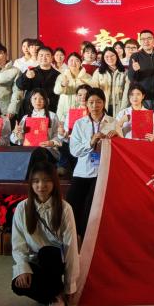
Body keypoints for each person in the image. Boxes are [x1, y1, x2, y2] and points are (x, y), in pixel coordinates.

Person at [11, 160, 80, 306]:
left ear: (54, 182)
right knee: (17, 285)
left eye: (46, 180)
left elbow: (71, 248)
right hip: (36, 261)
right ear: (31, 184)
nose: (41, 185)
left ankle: (56, 293)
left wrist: (70, 286)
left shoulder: (64, 208)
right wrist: (23, 268)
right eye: (36, 181)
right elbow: (18, 244)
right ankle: (54, 296)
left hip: (56, 261)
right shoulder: (22, 208)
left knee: (47, 252)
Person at [67, 88, 117, 244]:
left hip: (103, 172)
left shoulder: (112, 122)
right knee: (73, 205)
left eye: (99, 102)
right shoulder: (79, 123)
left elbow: (121, 148)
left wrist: (117, 138)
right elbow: (74, 150)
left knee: (92, 209)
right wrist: (91, 142)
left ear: (104, 103)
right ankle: (74, 240)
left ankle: (89, 242)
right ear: (86, 104)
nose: (95, 106)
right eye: (91, 102)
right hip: (82, 171)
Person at [11, 89, 66, 165]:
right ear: (30, 100)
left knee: (38, 154)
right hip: (28, 150)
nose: (38, 101)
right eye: (35, 98)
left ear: (46, 100)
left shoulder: (52, 116)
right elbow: (16, 140)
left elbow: (58, 136)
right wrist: (17, 133)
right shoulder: (25, 118)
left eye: (41, 98)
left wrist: (52, 142)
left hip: (47, 150)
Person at [127, 30, 154, 121]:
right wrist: (134, 70)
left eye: (149, 38)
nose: (146, 41)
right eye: (143, 39)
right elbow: (131, 78)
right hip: (143, 99)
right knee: (144, 125)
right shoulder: (135, 56)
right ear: (140, 41)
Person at [15, 46, 61, 111]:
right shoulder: (30, 71)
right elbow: (20, 85)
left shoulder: (58, 75)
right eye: (41, 55)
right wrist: (26, 77)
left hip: (50, 109)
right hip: (30, 109)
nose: (44, 58)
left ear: (52, 58)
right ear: (37, 57)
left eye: (47, 55)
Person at [91, 48, 129, 117]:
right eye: (107, 56)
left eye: (112, 55)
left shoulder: (125, 72)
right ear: (103, 58)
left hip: (120, 106)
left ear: (116, 56)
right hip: (103, 107)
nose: (110, 58)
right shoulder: (98, 72)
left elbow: (127, 92)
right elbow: (94, 92)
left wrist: (123, 109)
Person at [54, 53, 90, 125]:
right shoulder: (62, 76)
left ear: (80, 62)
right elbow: (56, 91)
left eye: (77, 60)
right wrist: (62, 85)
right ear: (67, 62)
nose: (74, 63)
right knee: (64, 130)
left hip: (81, 111)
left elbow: (92, 94)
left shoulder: (87, 77)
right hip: (64, 111)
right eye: (71, 60)